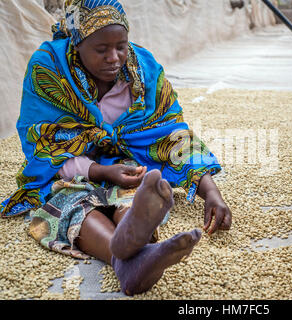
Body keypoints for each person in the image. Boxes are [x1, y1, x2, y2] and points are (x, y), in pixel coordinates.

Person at [0, 0, 232, 296]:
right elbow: (46, 146)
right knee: (70, 202)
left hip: (126, 165)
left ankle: (133, 247)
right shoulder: (50, 69)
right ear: (77, 42)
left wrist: (211, 192)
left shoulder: (143, 70)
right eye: (101, 50)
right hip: (70, 171)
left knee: (136, 195)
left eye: (121, 46)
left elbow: (171, 135)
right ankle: (124, 257)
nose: (114, 58)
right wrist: (101, 171)